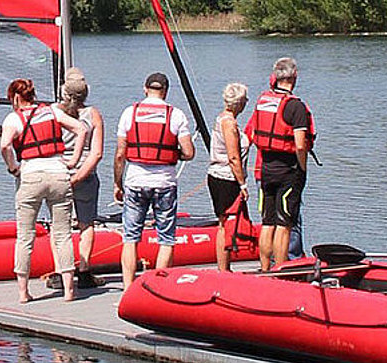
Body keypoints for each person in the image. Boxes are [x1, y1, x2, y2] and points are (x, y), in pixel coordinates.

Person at [0, 77, 89, 303]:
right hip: (59, 173)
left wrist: (13, 167)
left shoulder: (13, 118)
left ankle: (23, 293)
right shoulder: (52, 112)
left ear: (16, 97)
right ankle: (69, 291)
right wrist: (73, 160)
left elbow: (4, 145)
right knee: (63, 235)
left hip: (30, 176)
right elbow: (81, 129)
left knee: (25, 237)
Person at [113, 72, 196, 288]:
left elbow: (121, 153)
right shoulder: (175, 115)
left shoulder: (129, 113)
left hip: (134, 180)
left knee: (131, 237)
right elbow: (189, 152)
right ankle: (159, 289)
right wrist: (171, 153)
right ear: (166, 91)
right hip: (164, 182)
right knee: (166, 238)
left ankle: (128, 288)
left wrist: (117, 183)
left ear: (145, 89)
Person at [245, 57, 313, 270]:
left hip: (265, 169)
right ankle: (282, 271)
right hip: (288, 170)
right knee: (284, 225)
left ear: (275, 77)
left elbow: (251, 134)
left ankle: (265, 267)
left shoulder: (262, 101)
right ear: (294, 77)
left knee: (267, 223)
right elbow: (300, 146)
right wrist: (302, 168)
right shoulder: (296, 106)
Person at [55, 68, 105, 290]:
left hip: (58, 172)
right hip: (85, 174)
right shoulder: (93, 114)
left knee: (60, 226)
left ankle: (60, 272)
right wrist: (79, 176)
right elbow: (97, 153)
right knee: (86, 224)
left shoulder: (53, 112)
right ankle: (84, 271)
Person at [206, 82, 252, 272]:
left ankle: (224, 267)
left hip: (216, 175)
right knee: (227, 223)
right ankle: (224, 269)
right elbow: (233, 157)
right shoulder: (229, 123)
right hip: (226, 178)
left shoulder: (221, 118)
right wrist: (242, 184)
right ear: (240, 103)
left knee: (222, 223)